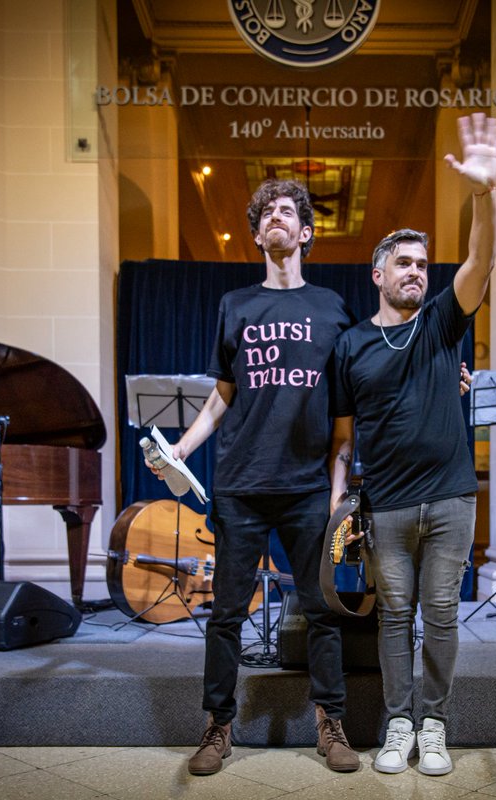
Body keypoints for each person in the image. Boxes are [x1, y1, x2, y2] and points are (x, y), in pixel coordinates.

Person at [151, 178, 361, 776]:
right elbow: (222, 395)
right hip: (241, 484)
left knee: (320, 611)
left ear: (305, 233)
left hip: (306, 489)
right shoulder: (235, 304)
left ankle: (331, 722)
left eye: (287, 210)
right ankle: (218, 728)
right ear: (256, 233)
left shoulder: (332, 310)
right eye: (266, 211)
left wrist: (337, 491)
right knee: (225, 613)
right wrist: (182, 450)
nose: (276, 216)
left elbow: (343, 415)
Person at [329, 111, 496, 777]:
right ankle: (397, 723)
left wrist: (483, 193)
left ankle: (435, 726)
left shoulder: (441, 324)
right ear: (377, 273)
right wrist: (337, 511)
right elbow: (343, 442)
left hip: (452, 498)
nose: (415, 272)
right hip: (388, 507)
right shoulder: (350, 345)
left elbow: (482, 260)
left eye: (423, 264)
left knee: (442, 615)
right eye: (402, 263)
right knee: (394, 617)